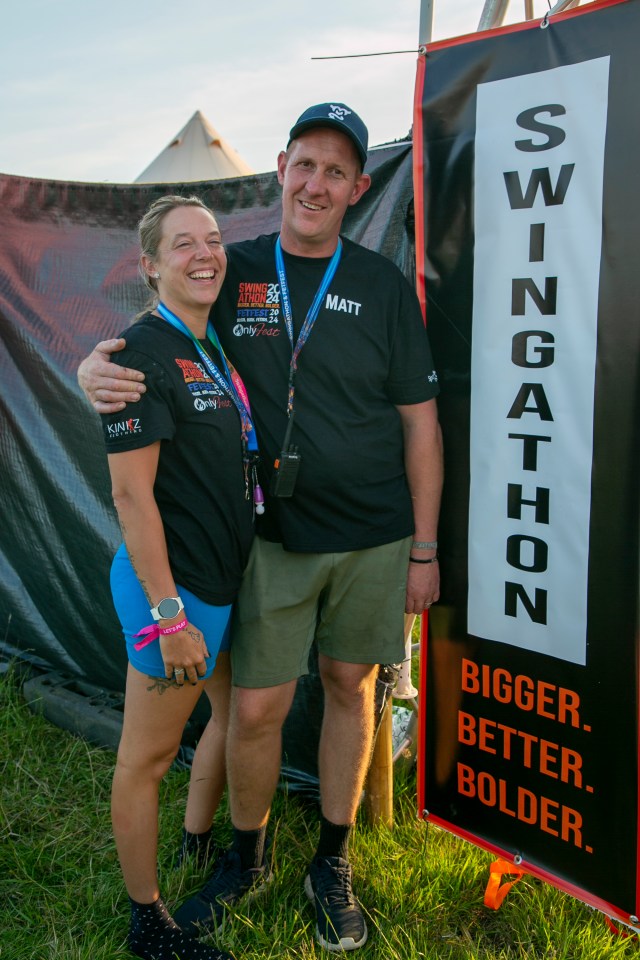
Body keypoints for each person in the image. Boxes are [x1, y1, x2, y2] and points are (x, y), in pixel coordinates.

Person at [79, 103, 443, 953]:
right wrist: (93, 366)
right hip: (271, 540)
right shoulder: (228, 267)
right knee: (255, 711)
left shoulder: (383, 284)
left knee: (352, 688)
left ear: (357, 189)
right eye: (305, 165)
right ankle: (246, 861)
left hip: (375, 533)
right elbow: (145, 332)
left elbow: (422, 422)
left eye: (337, 172)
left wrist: (424, 546)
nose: (317, 184)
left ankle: (334, 861)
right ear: (281, 169)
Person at [98, 195, 256, 960]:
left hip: (220, 584)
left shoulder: (210, 340)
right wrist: (170, 616)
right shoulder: (137, 355)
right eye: (183, 243)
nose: (205, 254)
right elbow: (130, 497)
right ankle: (146, 920)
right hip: (174, 594)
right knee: (148, 757)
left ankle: (197, 841)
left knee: (228, 718)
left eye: (214, 240)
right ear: (150, 264)